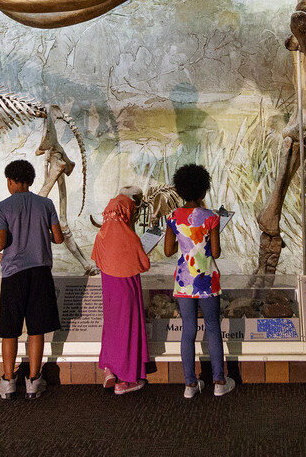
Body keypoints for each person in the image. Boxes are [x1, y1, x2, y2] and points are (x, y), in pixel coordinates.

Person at [0, 159, 64, 400]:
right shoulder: (46, 203)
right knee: (36, 328)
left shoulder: (1, 207)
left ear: (10, 181)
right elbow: (59, 239)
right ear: (30, 181)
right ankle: (33, 381)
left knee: (9, 329)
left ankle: (8, 381)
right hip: (40, 272)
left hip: (13, 274)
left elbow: (0, 243)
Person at [163, 163, 235, 398]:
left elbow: (167, 251)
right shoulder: (211, 217)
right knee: (213, 328)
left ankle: (190, 385)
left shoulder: (173, 217)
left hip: (184, 281)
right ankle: (219, 382)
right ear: (203, 191)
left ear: (180, 190)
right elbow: (215, 253)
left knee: (188, 331)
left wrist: (184, 243)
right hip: (207, 280)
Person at [91, 190, 151, 395]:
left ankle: (109, 370)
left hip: (109, 293)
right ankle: (126, 380)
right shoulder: (131, 239)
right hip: (128, 292)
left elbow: (98, 260)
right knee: (128, 328)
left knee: (112, 326)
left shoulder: (100, 236)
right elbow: (144, 264)